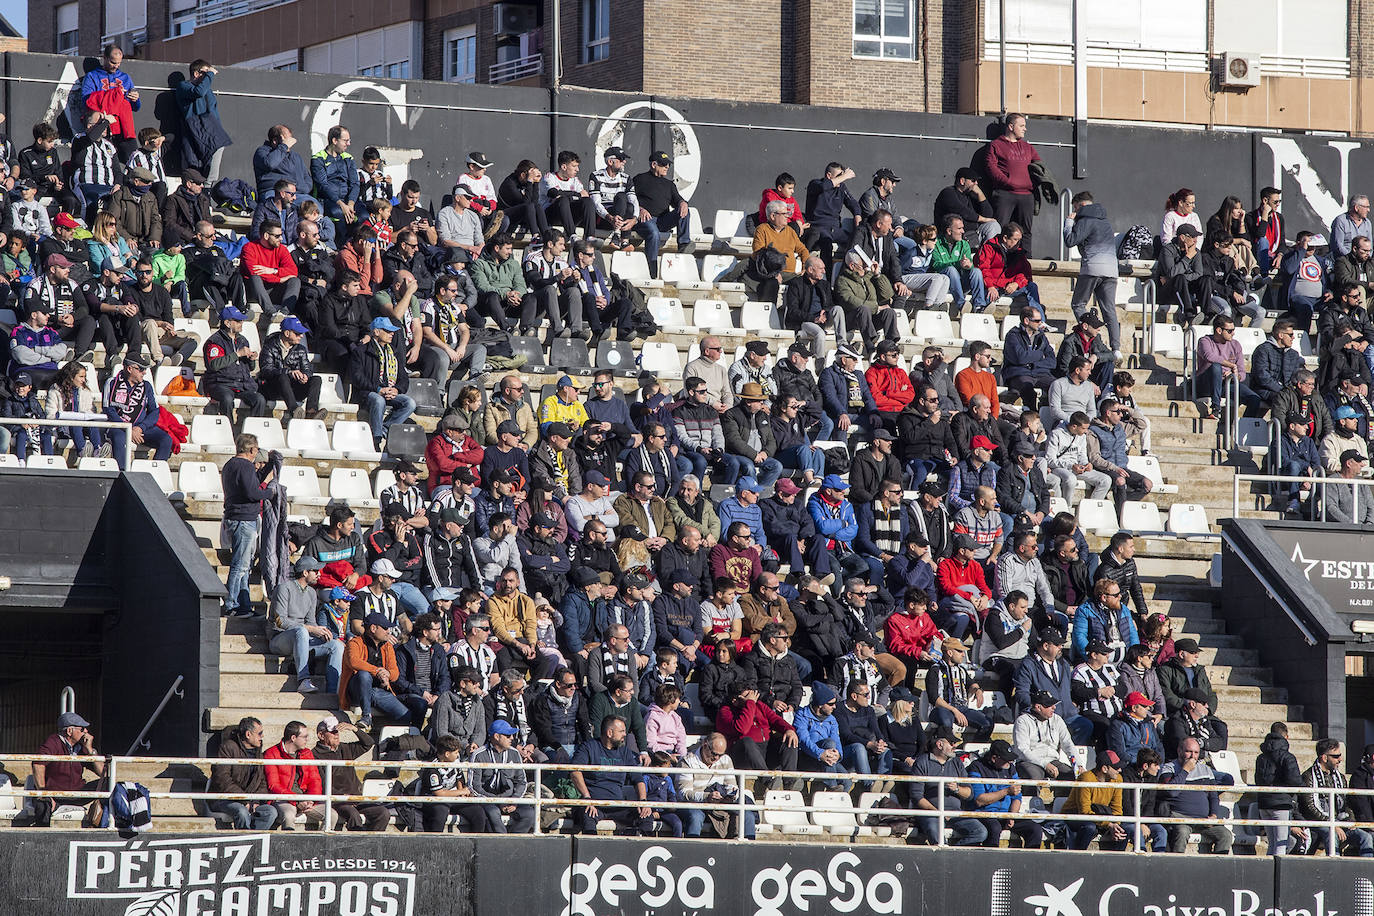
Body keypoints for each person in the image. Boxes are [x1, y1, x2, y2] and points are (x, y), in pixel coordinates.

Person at [570, 714, 654, 834]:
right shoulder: (589, 747)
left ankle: (642, 848)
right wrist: (587, 798)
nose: (625, 735)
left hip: (618, 805)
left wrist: (643, 801)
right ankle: (591, 851)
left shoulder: (624, 751)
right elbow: (575, 771)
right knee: (587, 815)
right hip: (594, 804)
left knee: (646, 816)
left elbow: (637, 778)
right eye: (621, 731)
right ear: (609, 733)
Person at [715, 682, 799, 792]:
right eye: (747, 697)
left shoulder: (759, 705)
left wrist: (789, 730)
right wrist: (749, 704)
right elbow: (742, 728)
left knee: (789, 739)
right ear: (735, 701)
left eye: (752, 695)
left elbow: (775, 719)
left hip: (765, 751)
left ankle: (789, 782)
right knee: (746, 741)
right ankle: (767, 780)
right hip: (743, 755)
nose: (752, 698)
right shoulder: (725, 713)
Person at [1065, 191, 1122, 351]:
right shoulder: (1106, 222)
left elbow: (1070, 241)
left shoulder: (1085, 220)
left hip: (1092, 268)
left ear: (1081, 205)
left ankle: (1094, 336)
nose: (1075, 212)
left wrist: (1069, 223)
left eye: (1075, 208)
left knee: (1078, 304)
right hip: (1111, 269)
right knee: (1109, 309)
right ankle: (1116, 349)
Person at [29, 711, 106, 828]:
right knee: (42, 805)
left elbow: (102, 773)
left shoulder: (81, 748)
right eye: (82, 729)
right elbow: (38, 764)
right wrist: (44, 793)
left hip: (77, 793)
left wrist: (90, 750)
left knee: (108, 783)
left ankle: (103, 824)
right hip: (55, 794)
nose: (86, 732)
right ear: (70, 731)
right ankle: (42, 838)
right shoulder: (53, 742)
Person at [909, 727, 985, 846]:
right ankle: (946, 857)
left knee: (980, 832)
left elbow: (970, 794)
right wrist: (940, 813)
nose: (955, 746)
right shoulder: (922, 762)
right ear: (939, 744)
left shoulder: (957, 762)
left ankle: (953, 854)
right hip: (931, 814)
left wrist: (957, 789)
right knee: (937, 835)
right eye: (952, 743)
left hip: (955, 813)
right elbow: (916, 796)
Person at [310, 716, 387, 831]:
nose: (336, 735)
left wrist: (354, 729)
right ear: (321, 735)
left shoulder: (345, 748)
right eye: (332, 732)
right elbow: (321, 783)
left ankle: (371, 844)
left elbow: (368, 743)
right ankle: (357, 845)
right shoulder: (314, 755)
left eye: (337, 731)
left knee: (383, 813)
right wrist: (341, 796)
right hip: (336, 800)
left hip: (355, 797)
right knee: (353, 816)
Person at [1159, 737, 1233, 854]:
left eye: (1196, 752)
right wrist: (1185, 771)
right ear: (1179, 751)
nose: (1192, 756)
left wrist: (1213, 815)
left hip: (1203, 821)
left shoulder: (1206, 770)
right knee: (1182, 833)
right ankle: (1176, 865)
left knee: (1226, 835)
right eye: (1188, 751)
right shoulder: (1168, 768)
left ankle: (1218, 868)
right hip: (1180, 818)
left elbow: (1213, 795)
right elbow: (1171, 792)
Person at [340, 613, 414, 730]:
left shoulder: (387, 646)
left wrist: (387, 675)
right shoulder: (354, 643)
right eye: (385, 628)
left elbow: (395, 673)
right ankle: (366, 716)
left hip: (378, 691)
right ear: (373, 628)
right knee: (364, 675)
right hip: (357, 690)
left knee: (406, 716)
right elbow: (353, 662)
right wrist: (377, 671)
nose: (388, 632)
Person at [967, 739, 1045, 848]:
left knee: (1034, 829)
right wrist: (1006, 792)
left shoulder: (1010, 768)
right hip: (985, 814)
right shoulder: (977, 767)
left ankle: (1030, 863)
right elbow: (979, 800)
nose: (1010, 762)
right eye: (1006, 759)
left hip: (1007, 814)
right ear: (994, 758)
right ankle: (990, 863)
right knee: (994, 828)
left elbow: (1017, 796)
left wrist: (1011, 816)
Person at [679, 733, 757, 839]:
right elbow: (684, 794)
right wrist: (707, 796)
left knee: (748, 816)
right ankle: (692, 852)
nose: (717, 758)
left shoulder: (725, 759)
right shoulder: (687, 761)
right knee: (696, 817)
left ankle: (749, 851)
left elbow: (731, 786)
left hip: (720, 803)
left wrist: (731, 796)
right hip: (695, 804)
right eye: (714, 753)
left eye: (720, 755)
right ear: (705, 745)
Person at [984, 113, 1042, 254]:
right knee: (1001, 229)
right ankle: (998, 259)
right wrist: (1008, 182)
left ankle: (1026, 264)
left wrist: (1039, 183)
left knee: (1026, 231)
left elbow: (1039, 166)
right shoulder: (996, 145)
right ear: (1011, 126)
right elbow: (990, 167)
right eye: (1021, 126)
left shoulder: (1028, 147)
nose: (1025, 129)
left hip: (1026, 195)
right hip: (1005, 194)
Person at [208, 717, 278, 830]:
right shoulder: (228, 748)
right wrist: (244, 800)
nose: (262, 736)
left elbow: (262, 781)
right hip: (224, 799)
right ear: (248, 734)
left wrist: (255, 801)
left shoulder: (258, 752)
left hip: (249, 800)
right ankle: (246, 839)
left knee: (271, 812)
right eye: (260, 733)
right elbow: (222, 779)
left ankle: (255, 840)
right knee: (241, 812)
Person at [468, 720, 536, 833]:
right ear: (496, 736)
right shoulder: (479, 754)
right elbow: (474, 786)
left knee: (529, 813)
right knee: (492, 813)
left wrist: (514, 800)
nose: (512, 738)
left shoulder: (514, 753)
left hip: (511, 800)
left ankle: (513, 843)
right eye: (508, 735)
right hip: (489, 801)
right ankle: (502, 843)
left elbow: (521, 781)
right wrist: (497, 801)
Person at [632, 151, 692, 273]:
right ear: (654, 164)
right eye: (664, 164)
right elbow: (629, 198)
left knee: (684, 209)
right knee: (654, 233)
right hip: (644, 219)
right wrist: (640, 209)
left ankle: (684, 244)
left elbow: (678, 200)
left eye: (668, 164)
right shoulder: (640, 179)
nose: (667, 167)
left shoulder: (669, 184)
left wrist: (682, 202)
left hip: (662, 220)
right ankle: (651, 271)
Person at [262, 721, 325, 830]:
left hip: (305, 799)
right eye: (305, 736)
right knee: (289, 816)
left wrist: (311, 800)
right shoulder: (271, 753)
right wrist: (296, 800)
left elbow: (315, 780)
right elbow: (274, 785)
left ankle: (323, 846)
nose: (307, 739)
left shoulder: (306, 753)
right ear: (293, 738)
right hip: (284, 799)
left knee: (332, 815)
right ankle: (287, 846)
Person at [1063, 750, 1129, 851]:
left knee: (1123, 831)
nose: (1119, 770)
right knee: (1089, 827)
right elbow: (1084, 812)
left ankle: (1114, 863)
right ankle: (1077, 857)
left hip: (1099, 816)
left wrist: (1115, 824)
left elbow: (1117, 808)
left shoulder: (1117, 779)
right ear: (1104, 769)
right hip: (1074, 815)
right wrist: (1109, 824)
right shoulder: (1086, 778)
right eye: (1116, 768)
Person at [801, 162, 859, 268]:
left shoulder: (841, 188)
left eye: (842, 176)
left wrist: (857, 215)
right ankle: (826, 278)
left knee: (856, 241)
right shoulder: (815, 184)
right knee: (827, 242)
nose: (842, 179)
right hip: (819, 227)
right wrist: (845, 176)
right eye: (839, 176)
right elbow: (824, 187)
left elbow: (852, 202)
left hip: (835, 228)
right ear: (829, 176)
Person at [928, 216, 988, 316]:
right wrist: (957, 264)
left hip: (961, 282)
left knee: (976, 271)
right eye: (959, 228)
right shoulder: (936, 243)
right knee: (951, 270)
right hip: (944, 283)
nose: (963, 231)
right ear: (949, 231)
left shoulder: (964, 244)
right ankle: (961, 304)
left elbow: (968, 264)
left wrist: (969, 265)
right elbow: (935, 265)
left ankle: (979, 306)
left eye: (962, 228)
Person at [1155, 224, 1208, 326]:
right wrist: (1187, 258)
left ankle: (1207, 315)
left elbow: (1199, 274)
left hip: (1186, 288)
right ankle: (1188, 313)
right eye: (1192, 237)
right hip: (1166, 292)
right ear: (1182, 237)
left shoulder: (1196, 252)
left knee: (1206, 279)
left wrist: (1184, 277)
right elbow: (1171, 273)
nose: (1195, 240)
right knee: (1179, 278)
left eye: (1196, 237)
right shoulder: (1168, 250)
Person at [933, 167, 1000, 247]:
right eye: (973, 181)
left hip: (973, 234)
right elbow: (963, 211)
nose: (976, 184)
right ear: (962, 181)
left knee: (993, 225)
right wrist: (984, 219)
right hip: (953, 235)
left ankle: (988, 255)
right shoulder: (948, 193)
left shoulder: (971, 194)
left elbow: (988, 215)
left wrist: (980, 195)